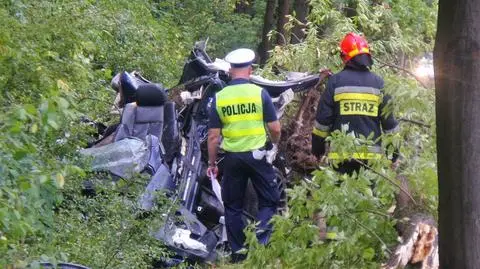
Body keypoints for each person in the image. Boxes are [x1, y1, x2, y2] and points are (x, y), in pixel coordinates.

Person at [206, 48, 281, 263]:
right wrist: (273, 146)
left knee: (232, 206)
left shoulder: (220, 98)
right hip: (258, 157)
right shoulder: (259, 94)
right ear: (250, 70)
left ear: (230, 70)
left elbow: (213, 137)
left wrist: (212, 163)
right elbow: (275, 128)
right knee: (270, 200)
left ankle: (239, 255)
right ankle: (261, 242)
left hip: (232, 159)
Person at [312, 33, 400, 175]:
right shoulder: (379, 84)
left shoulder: (335, 82)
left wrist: (317, 151)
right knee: (368, 197)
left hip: (341, 158)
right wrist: (393, 156)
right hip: (371, 162)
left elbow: (322, 123)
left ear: (344, 57)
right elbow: (390, 126)